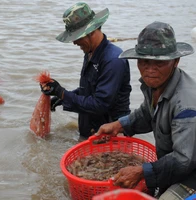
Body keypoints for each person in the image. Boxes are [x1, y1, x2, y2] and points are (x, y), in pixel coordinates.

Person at [96, 21, 196, 200]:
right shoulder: (155, 84)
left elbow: (183, 160)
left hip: (191, 176)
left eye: (159, 63)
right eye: (144, 62)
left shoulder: (186, 104)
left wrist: (141, 171)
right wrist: (119, 125)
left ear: (175, 61)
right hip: (173, 166)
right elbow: (146, 113)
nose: (150, 70)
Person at [41, 2, 132, 140]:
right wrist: (61, 96)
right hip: (91, 132)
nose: (74, 42)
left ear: (91, 32)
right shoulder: (90, 52)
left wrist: (64, 94)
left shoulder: (113, 60)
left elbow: (100, 104)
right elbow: (89, 90)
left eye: (77, 37)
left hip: (110, 136)